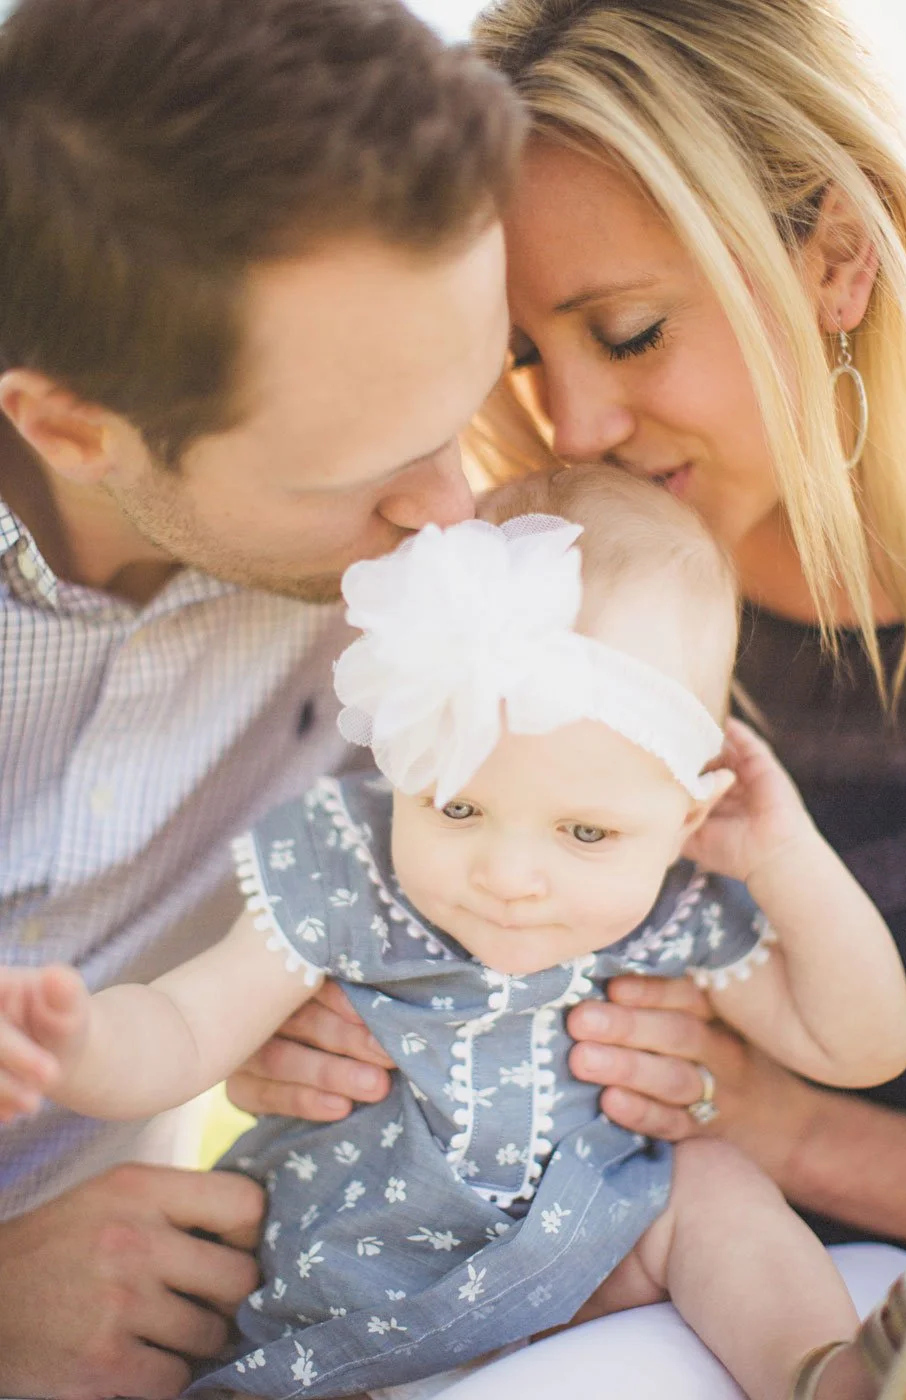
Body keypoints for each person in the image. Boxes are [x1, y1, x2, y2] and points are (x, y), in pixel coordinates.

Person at [283, 0, 906, 1391]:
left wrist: (792, 1129)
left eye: (629, 332)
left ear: (836, 257)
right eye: (525, 356)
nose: (571, 426)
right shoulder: (549, 597)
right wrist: (325, 1044)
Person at [0, 465, 906, 1400]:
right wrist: (77, 1038)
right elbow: (185, 1030)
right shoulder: (348, 869)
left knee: (709, 1186)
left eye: (586, 833)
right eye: (458, 806)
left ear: (689, 818)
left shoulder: (676, 903)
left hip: (593, 1260)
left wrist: (786, 856)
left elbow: (861, 1048)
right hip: (348, 1293)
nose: (510, 878)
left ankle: (817, 1372)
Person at [0, 0, 526, 1394]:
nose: (452, 514)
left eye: (470, 405)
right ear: (70, 427)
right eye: (362, 474)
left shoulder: (385, 565)